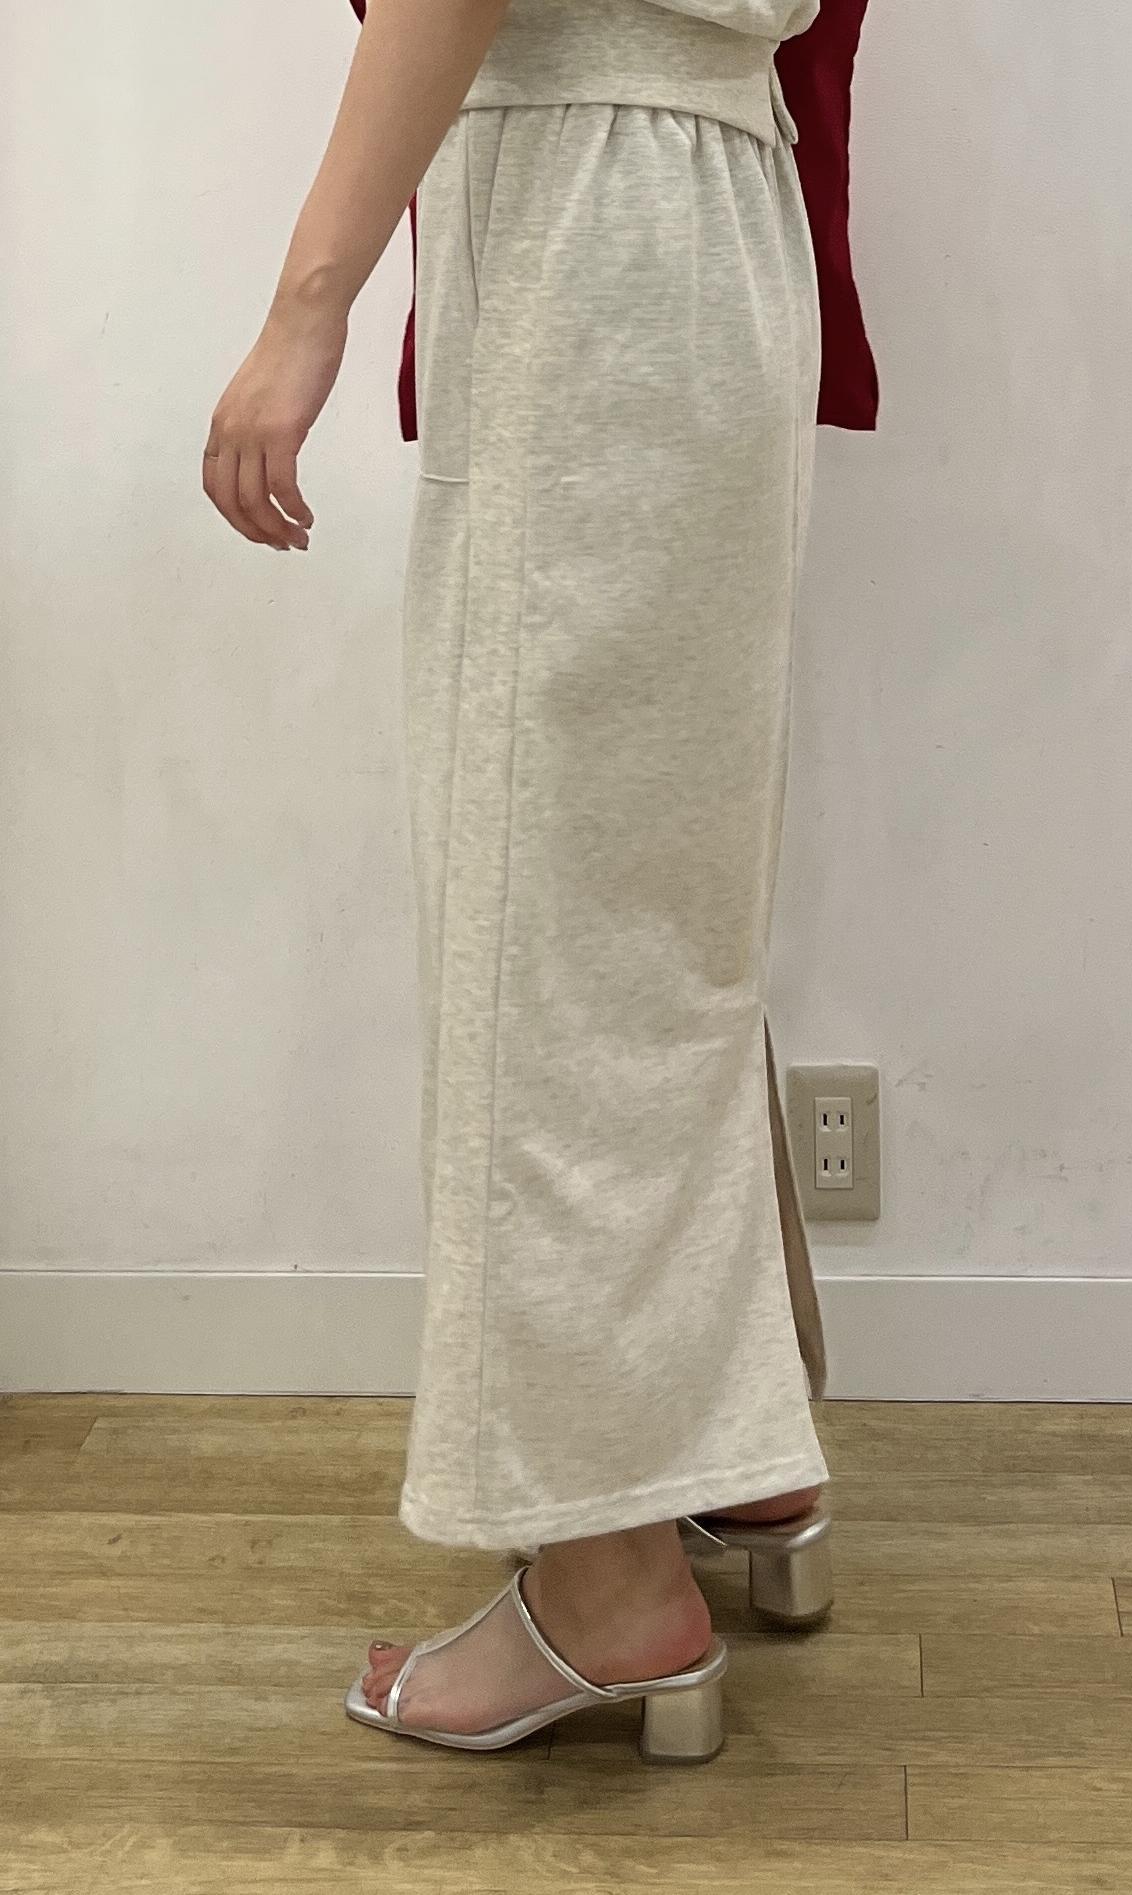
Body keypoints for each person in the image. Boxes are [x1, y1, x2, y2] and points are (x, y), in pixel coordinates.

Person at [203, 0, 835, 1763]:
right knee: (652, 905)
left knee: (543, 913)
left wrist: (307, 305)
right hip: (715, 201)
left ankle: (606, 1581)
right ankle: (733, 1451)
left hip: (587, 224)